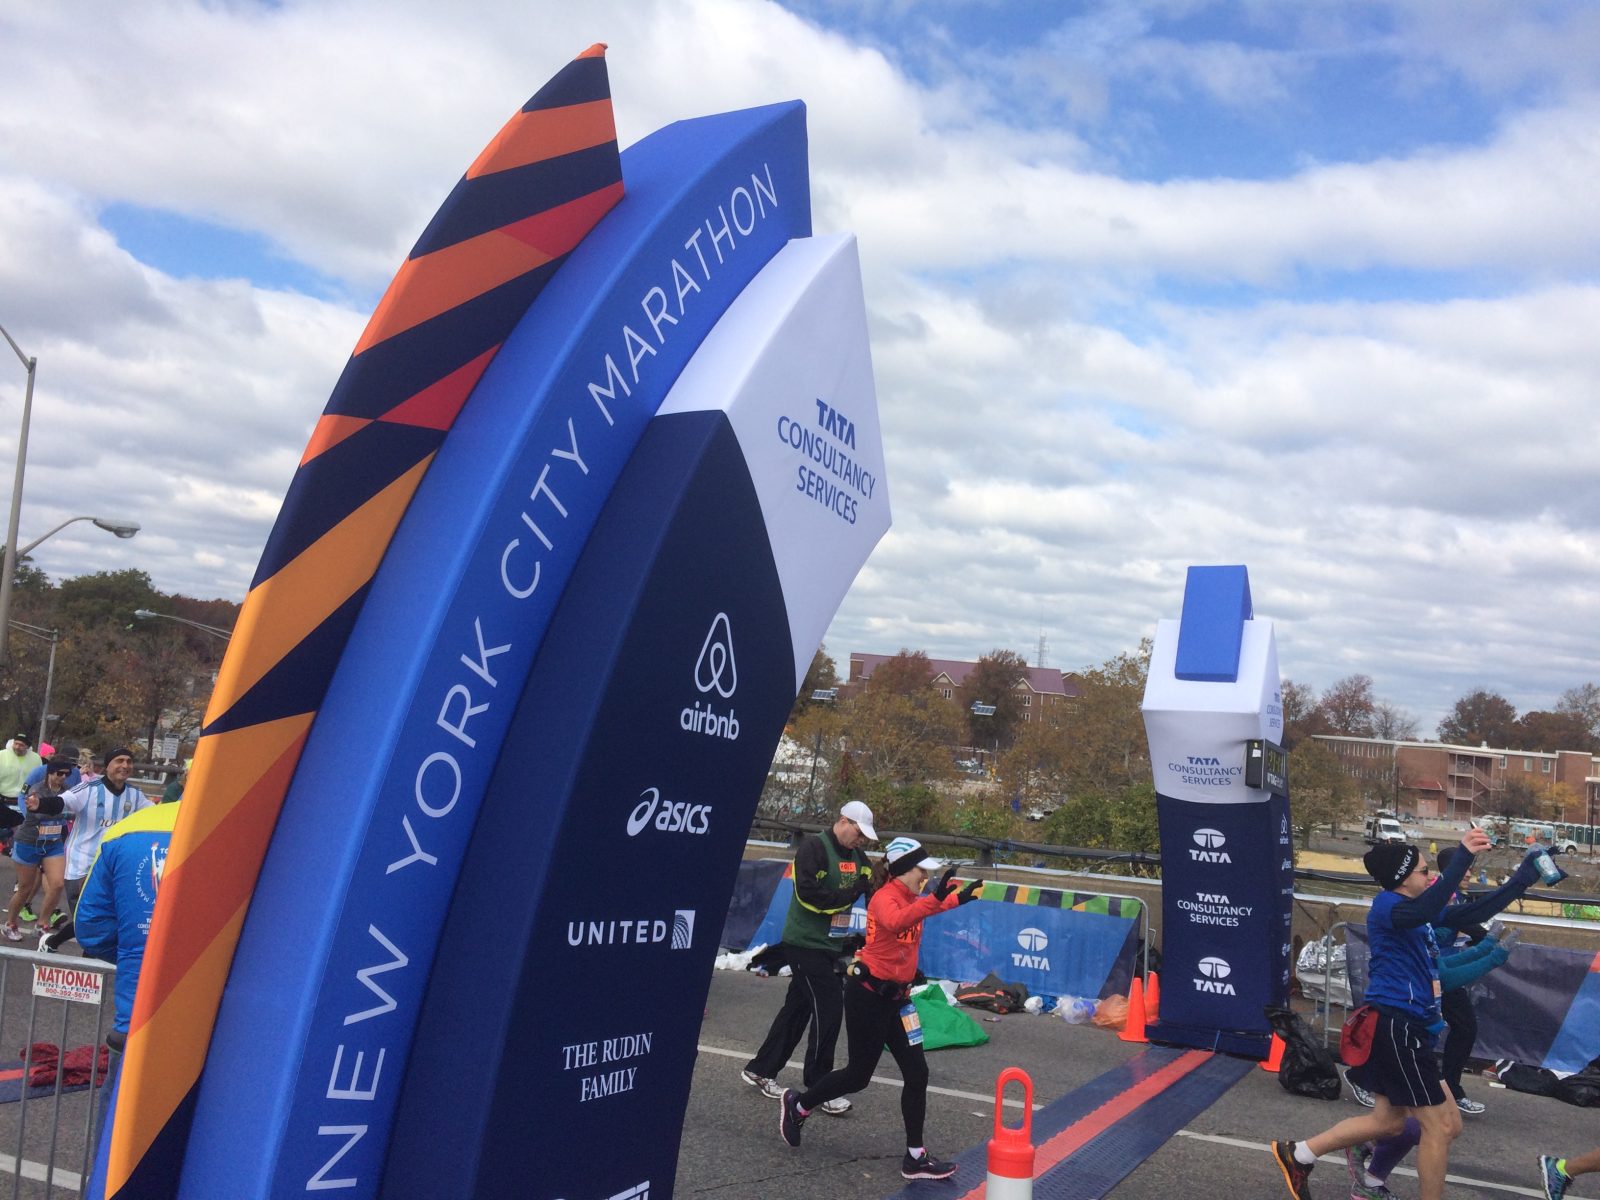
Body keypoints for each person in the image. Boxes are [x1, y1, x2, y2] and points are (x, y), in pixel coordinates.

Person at [1271, 828, 1492, 1200]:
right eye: (1425, 871)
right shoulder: (1392, 907)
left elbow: (1465, 916)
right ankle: (1367, 1178)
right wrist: (1464, 856)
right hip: (1397, 1025)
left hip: (1411, 1026)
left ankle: (1302, 1153)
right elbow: (1431, 913)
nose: (1431, 877)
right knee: (1438, 1127)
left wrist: (1525, 877)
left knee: (1397, 1123)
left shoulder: (1414, 910)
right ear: (1404, 877)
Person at [779, 836, 982, 1182]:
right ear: (902, 870)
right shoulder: (884, 898)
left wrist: (955, 899)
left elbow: (923, 909)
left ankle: (915, 1157)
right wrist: (936, 898)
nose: (925, 877)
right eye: (921, 871)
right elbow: (897, 921)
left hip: (899, 1000)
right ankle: (799, 1105)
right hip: (868, 996)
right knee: (858, 1076)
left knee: (917, 1074)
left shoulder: (912, 898)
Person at [741, 800, 879, 1113]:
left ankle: (760, 1068)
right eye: (858, 833)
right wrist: (852, 892)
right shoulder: (813, 848)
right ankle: (820, 1087)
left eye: (865, 837)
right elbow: (809, 897)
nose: (861, 840)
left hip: (830, 946)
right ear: (843, 821)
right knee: (829, 1008)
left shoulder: (859, 857)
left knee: (798, 1008)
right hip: (804, 944)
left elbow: (871, 888)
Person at [74, 798, 181, 1142]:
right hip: (218, 1028)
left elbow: (90, 927)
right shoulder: (254, 826)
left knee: (117, 1142)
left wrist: (139, 958)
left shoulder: (129, 828)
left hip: (135, 1018)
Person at [41, 748, 153, 953]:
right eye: (119, 760)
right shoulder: (89, 788)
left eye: (129, 761)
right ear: (107, 766)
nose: (125, 765)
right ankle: (60, 947)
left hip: (112, 866)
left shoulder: (135, 795)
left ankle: (54, 944)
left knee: (104, 918)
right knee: (88, 919)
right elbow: (63, 801)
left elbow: (155, 813)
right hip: (82, 864)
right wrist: (39, 803)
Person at [2, 757, 74, 941]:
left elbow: (75, 809)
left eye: (66, 774)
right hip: (29, 842)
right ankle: (10, 924)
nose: (63, 777)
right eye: (59, 773)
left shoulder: (67, 791)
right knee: (25, 889)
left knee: (57, 884)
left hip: (53, 843)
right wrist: (65, 813)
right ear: (50, 772)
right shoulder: (36, 790)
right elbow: (40, 814)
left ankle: (42, 924)